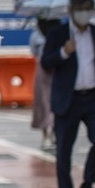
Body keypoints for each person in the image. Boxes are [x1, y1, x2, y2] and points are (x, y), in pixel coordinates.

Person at [40, 0, 95, 188]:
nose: (84, 12)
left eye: (88, 8)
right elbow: (46, 62)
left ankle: (88, 184)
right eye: (80, 7)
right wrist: (64, 51)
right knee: (64, 149)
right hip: (68, 99)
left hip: (93, 97)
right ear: (71, 9)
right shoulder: (58, 34)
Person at [29, 18, 59, 150]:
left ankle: (54, 135)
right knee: (42, 102)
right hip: (42, 69)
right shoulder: (37, 35)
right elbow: (34, 51)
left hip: (57, 69)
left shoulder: (59, 33)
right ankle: (45, 135)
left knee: (55, 102)